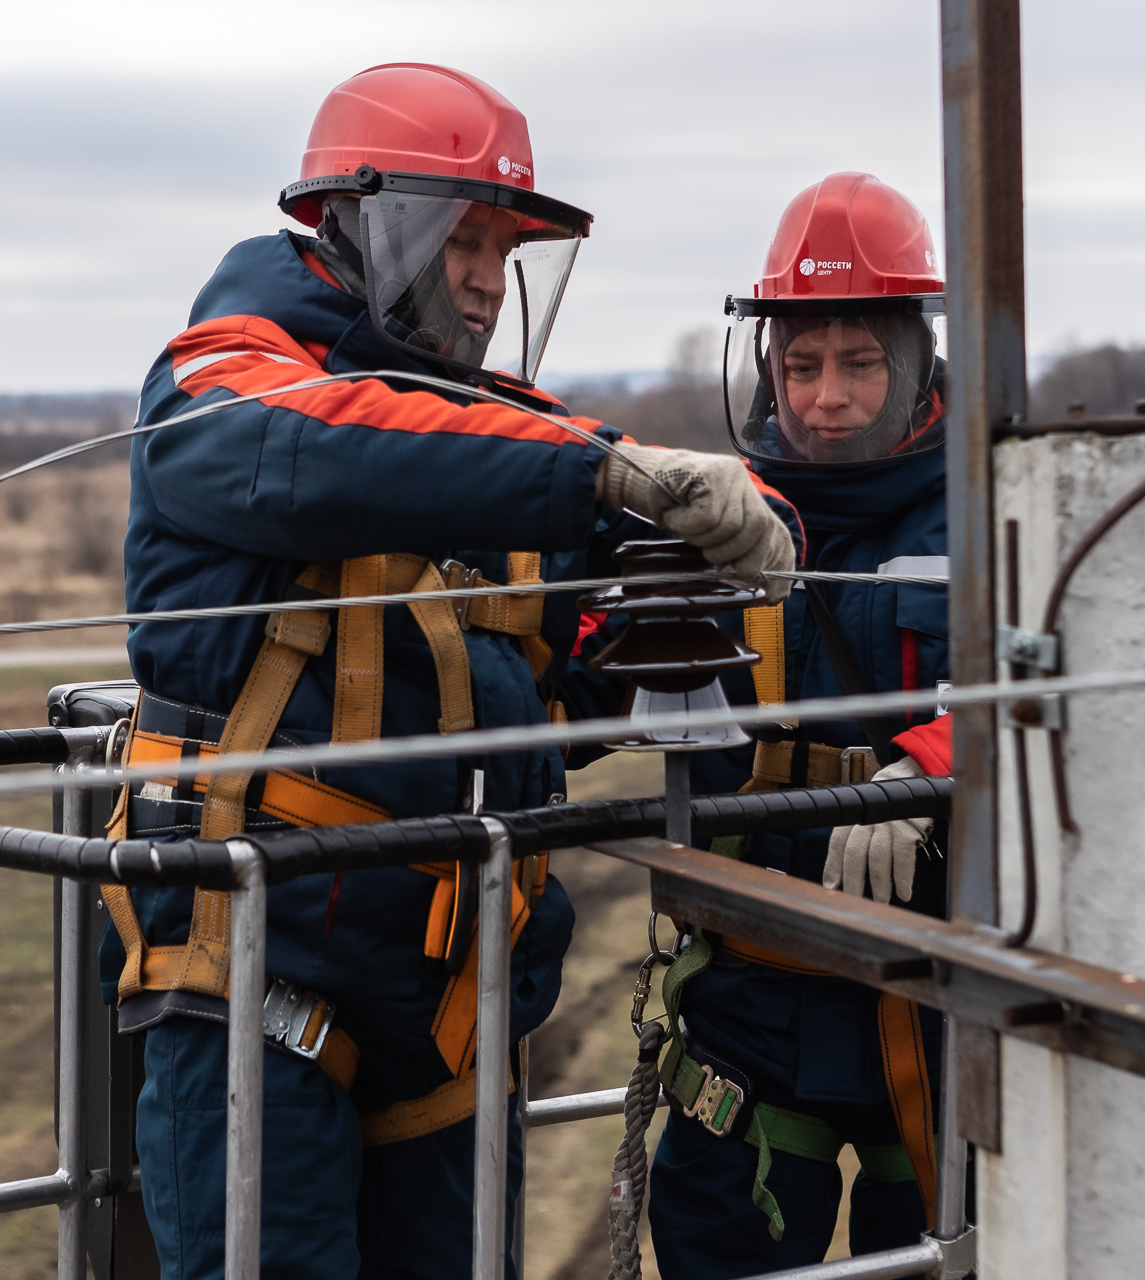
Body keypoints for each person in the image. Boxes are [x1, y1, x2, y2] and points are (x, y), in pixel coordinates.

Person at [98, 63, 797, 1280]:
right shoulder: (221, 379)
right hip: (253, 969)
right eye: (461, 237)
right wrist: (605, 469)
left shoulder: (505, 439)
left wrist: (706, 552)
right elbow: (315, 448)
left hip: (451, 992)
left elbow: (581, 641)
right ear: (354, 223)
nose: (485, 275)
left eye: (505, 245)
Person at [641, 172, 963, 1276]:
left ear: (916, 366)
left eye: (860, 362)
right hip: (746, 1008)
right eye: (802, 366)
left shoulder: (992, 518)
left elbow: (1053, 690)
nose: (826, 396)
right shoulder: (721, 517)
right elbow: (602, 670)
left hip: (926, 1008)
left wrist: (925, 774)